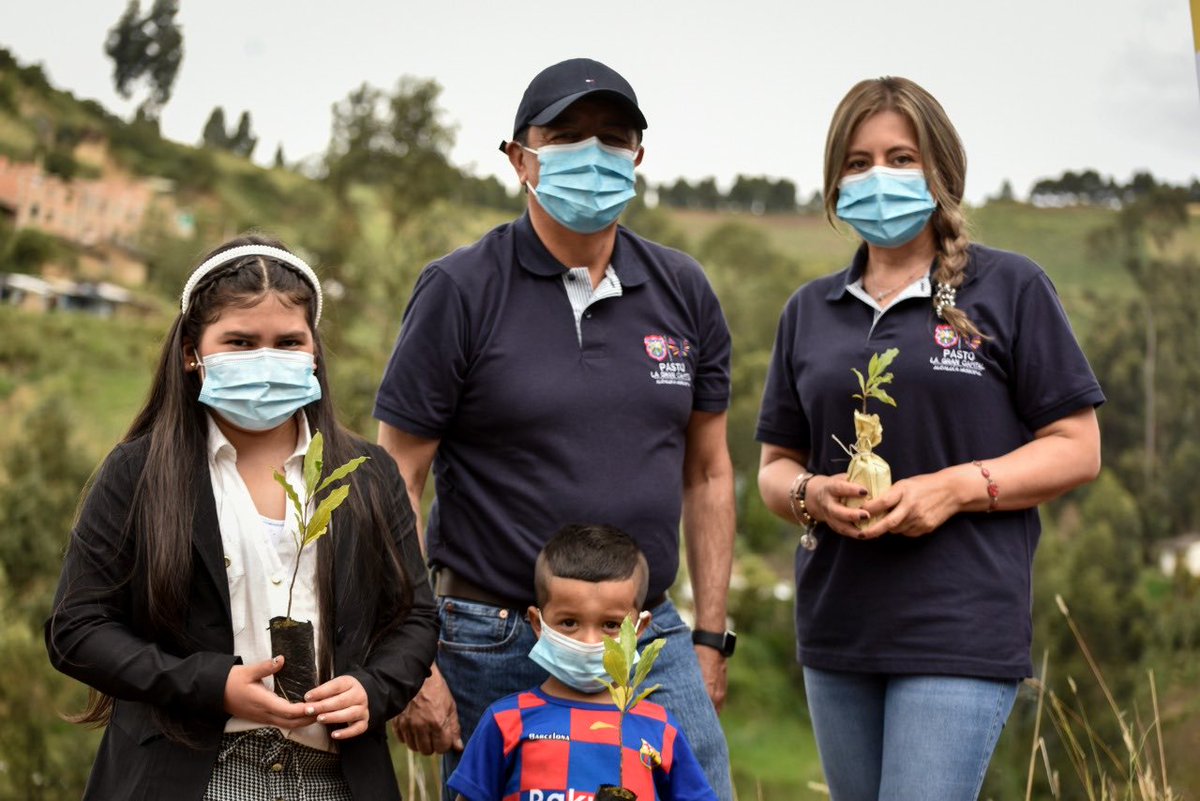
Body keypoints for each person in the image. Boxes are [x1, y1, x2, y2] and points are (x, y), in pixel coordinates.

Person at [373, 57, 736, 801]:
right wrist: (412, 655)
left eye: (613, 137)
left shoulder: (683, 289)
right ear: (519, 158)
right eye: (567, 136)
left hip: (647, 632)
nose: (594, 155)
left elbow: (708, 472)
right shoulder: (460, 289)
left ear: (639, 156)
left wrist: (708, 637)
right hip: (494, 635)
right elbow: (397, 476)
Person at [755, 76, 1105, 801]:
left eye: (901, 157)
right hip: (837, 626)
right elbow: (773, 467)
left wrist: (953, 488)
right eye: (857, 162)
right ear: (833, 181)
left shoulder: (1010, 289)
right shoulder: (807, 310)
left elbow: (1077, 445)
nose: (878, 176)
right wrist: (810, 492)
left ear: (942, 171)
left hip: (959, 625)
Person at [45, 234, 439, 800]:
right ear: (191, 353)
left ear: (314, 353)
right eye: (240, 341)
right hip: (188, 775)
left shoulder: (366, 475)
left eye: (287, 343)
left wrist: (373, 691)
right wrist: (213, 685)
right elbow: (76, 629)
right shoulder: (139, 474)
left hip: (336, 778)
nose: (266, 360)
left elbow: (415, 618)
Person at [448, 524, 718, 801]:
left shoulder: (661, 728)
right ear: (537, 623)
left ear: (639, 629)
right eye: (569, 622)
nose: (590, 641)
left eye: (611, 625)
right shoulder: (505, 721)